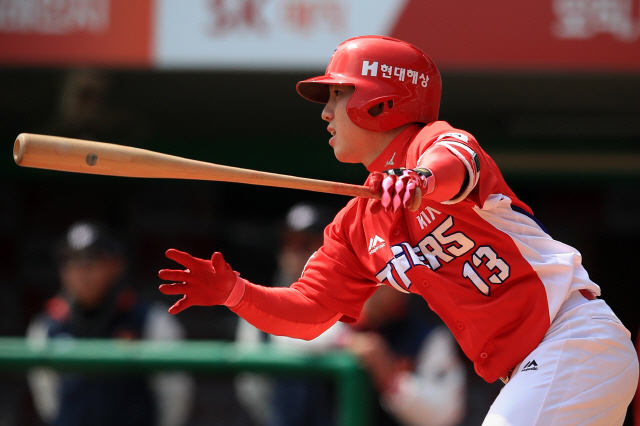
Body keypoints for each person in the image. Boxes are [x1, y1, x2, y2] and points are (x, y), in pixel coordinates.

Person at [158, 35, 639, 425]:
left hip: (571, 337)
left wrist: (420, 179)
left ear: (380, 100)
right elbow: (309, 312)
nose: (325, 112)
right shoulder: (355, 224)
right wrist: (236, 293)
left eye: (338, 95)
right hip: (540, 367)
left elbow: (455, 161)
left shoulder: (432, 146)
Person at [236, 202, 467, 426]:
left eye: (385, 267)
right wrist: (347, 341)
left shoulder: (428, 336)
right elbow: (257, 381)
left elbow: (446, 414)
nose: (378, 277)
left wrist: (392, 380)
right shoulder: (302, 310)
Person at [28, 221, 193, 426]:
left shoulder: (149, 319)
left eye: (91, 262)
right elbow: (47, 397)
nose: (81, 273)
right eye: (72, 263)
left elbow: (175, 393)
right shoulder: (49, 325)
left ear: (115, 265)